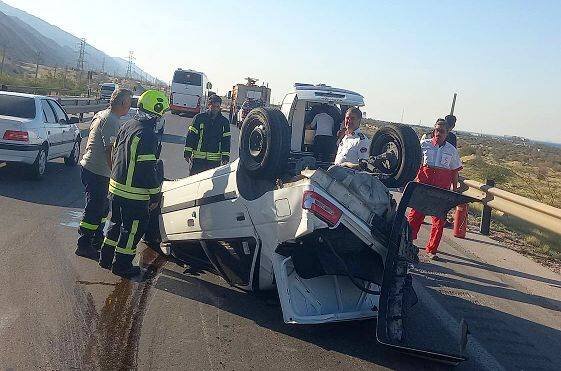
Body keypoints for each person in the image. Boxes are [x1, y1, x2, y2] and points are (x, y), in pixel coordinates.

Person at [98, 90, 168, 277]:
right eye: (162, 113)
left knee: (114, 223)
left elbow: (114, 153)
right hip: (134, 194)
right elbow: (147, 170)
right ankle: (122, 266)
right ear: (157, 112)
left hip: (115, 188)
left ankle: (105, 258)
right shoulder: (148, 136)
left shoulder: (128, 125)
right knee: (132, 230)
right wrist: (155, 194)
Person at [76, 88, 132, 260]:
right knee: (94, 209)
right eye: (129, 103)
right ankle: (84, 244)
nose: (130, 107)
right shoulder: (111, 120)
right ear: (122, 103)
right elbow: (110, 150)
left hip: (94, 169)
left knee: (102, 209)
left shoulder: (103, 114)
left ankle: (96, 240)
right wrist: (116, 173)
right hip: (98, 171)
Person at [407, 119, 463, 260]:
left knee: (438, 222)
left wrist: (454, 189)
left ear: (447, 133)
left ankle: (432, 250)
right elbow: (415, 163)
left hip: (440, 192)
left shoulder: (451, 150)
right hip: (423, 189)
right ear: (434, 131)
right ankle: (407, 243)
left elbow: (455, 171)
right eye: (437, 130)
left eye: (442, 131)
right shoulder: (423, 145)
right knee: (414, 217)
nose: (438, 133)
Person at [184, 94, 230, 175]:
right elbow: (191, 136)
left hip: (214, 162)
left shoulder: (224, 122)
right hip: (198, 159)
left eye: (217, 107)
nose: (215, 109)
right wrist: (187, 152)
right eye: (213, 106)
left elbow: (226, 140)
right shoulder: (199, 118)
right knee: (194, 182)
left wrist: (225, 157)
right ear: (209, 105)